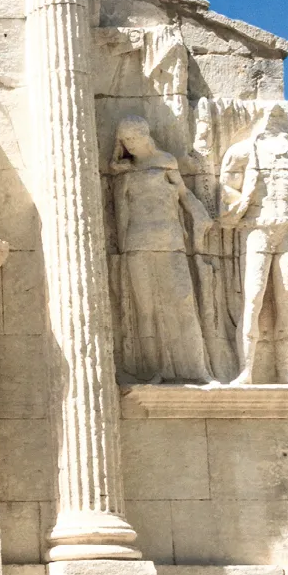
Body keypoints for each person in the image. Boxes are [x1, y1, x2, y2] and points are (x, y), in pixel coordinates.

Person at [107, 117, 215, 383]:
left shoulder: (166, 161)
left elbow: (183, 194)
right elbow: (122, 215)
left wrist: (200, 214)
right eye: (126, 141)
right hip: (137, 241)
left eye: (134, 138)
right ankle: (153, 369)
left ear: (146, 135)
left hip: (169, 239)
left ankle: (197, 367)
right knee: (145, 309)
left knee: (183, 300)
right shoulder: (125, 173)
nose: (131, 145)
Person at [216, 106, 288, 384]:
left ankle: (285, 371)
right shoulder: (244, 151)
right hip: (258, 228)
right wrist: (242, 205)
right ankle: (246, 371)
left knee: (287, 300)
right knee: (253, 299)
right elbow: (226, 189)